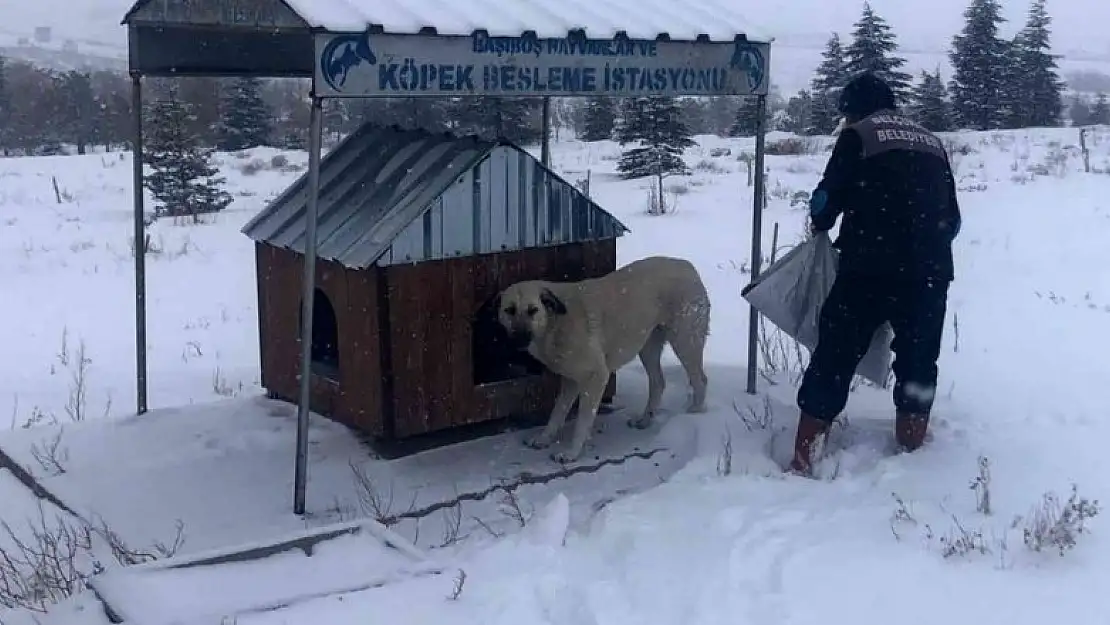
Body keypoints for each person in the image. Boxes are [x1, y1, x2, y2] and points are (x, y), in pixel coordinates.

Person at [789, 71, 962, 476]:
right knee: (919, 360)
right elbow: (953, 221)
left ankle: (805, 456)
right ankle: (912, 449)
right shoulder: (933, 143)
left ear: (852, 111)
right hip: (929, 273)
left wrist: (821, 222)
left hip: (867, 268)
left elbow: (824, 203)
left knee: (835, 355)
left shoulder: (860, 135)